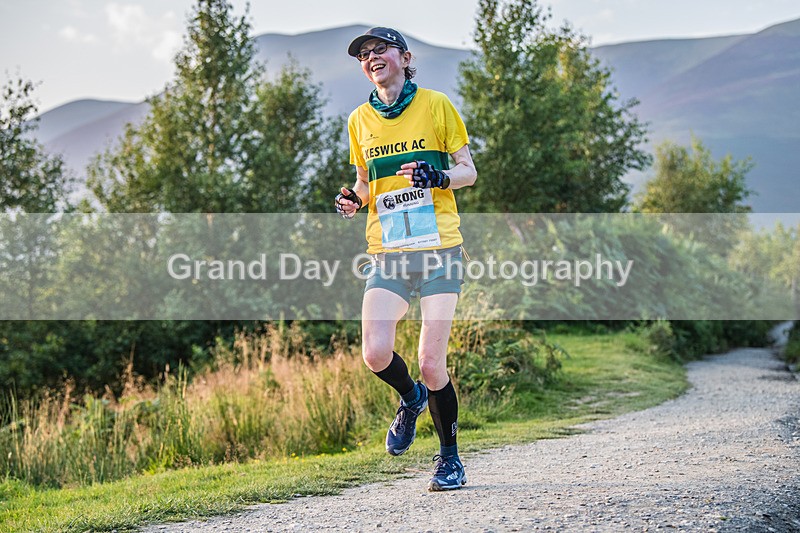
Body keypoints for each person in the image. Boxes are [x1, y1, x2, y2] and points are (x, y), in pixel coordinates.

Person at [335, 27, 477, 491]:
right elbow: (363, 182)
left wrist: (439, 177)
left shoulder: (435, 105)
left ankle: (450, 459)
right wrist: (354, 200)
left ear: (404, 57)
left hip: (439, 248)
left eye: (381, 50)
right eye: (365, 55)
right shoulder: (359, 119)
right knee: (375, 353)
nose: (372, 58)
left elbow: (468, 172)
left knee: (432, 361)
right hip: (388, 252)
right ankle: (411, 398)